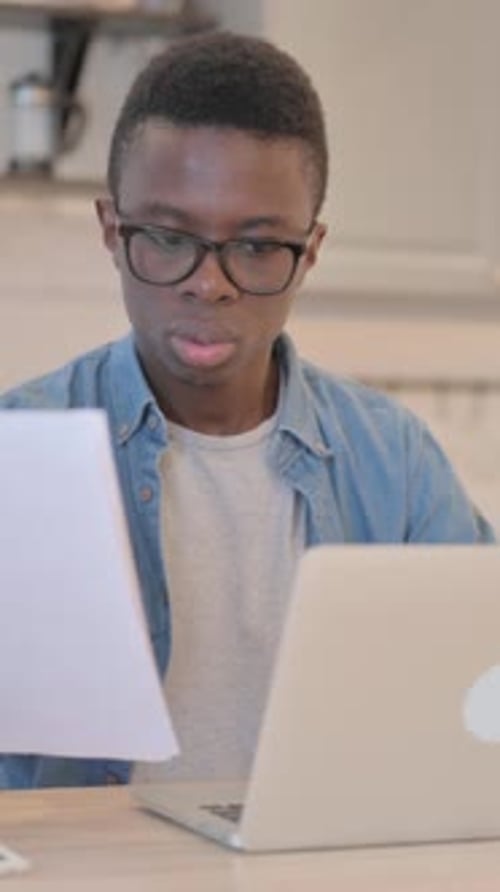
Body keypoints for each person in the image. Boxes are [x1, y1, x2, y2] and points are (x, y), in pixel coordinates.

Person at [0, 31, 494, 790]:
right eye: (169, 237)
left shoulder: (393, 462)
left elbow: (480, 690)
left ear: (311, 249)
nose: (210, 284)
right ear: (112, 230)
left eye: (259, 248)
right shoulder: (19, 450)